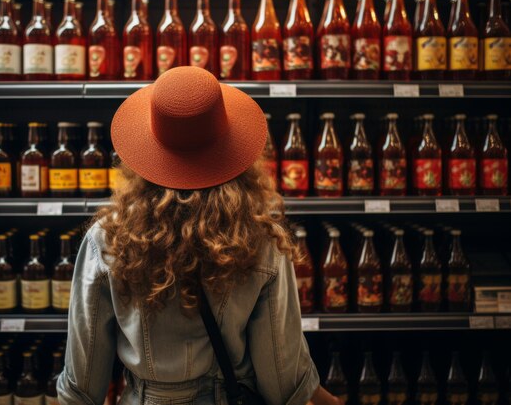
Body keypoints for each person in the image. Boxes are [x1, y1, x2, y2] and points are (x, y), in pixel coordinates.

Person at [57, 66, 342, 405]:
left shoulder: (108, 239)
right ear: (231, 152)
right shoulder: (260, 239)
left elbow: (82, 384)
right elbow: (282, 379)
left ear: (146, 156)